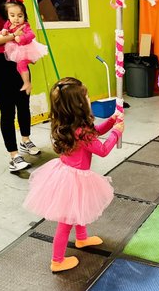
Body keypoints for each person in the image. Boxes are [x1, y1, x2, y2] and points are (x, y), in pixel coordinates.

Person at [23, 77, 124, 273]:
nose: (88, 98)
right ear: (78, 104)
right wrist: (117, 133)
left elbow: (93, 133)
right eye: (85, 96)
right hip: (74, 179)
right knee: (67, 221)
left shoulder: (69, 125)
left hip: (66, 175)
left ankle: (82, 238)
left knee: (79, 208)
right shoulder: (81, 131)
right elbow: (101, 149)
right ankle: (57, 260)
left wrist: (112, 122)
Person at [0, 0, 40, 172]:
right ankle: (14, 155)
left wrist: (28, 49)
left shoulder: (7, 5)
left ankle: (26, 140)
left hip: (16, 60)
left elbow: (23, 25)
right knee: (7, 110)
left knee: (23, 103)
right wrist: (12, 36)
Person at [0, 0, 48, 95]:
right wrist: (3, 31)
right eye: (12, 15)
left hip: (26, 48)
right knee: (19, 67)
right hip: (15, 48)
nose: (16, 19)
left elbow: (32, 35)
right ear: (8, 15)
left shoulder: (24, 25)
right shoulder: (8, 23)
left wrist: (21, 38)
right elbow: (4, 29)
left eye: (20, 16)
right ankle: (29, 66)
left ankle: (27, 83)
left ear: (24, 16)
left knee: (21, 64)